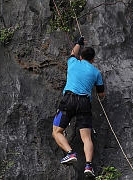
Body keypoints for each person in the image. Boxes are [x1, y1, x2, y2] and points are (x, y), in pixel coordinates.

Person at [52, 36, 105, 177]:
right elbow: (101, 94)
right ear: (93, 59)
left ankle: (70, 153)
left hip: (69, 99)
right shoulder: (96, 73)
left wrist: (78, 43)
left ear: (80, 57)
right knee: (86, 138)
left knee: (57, 132)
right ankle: (88, 165)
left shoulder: (73, 63)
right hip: (84, 103)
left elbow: (72, 53)